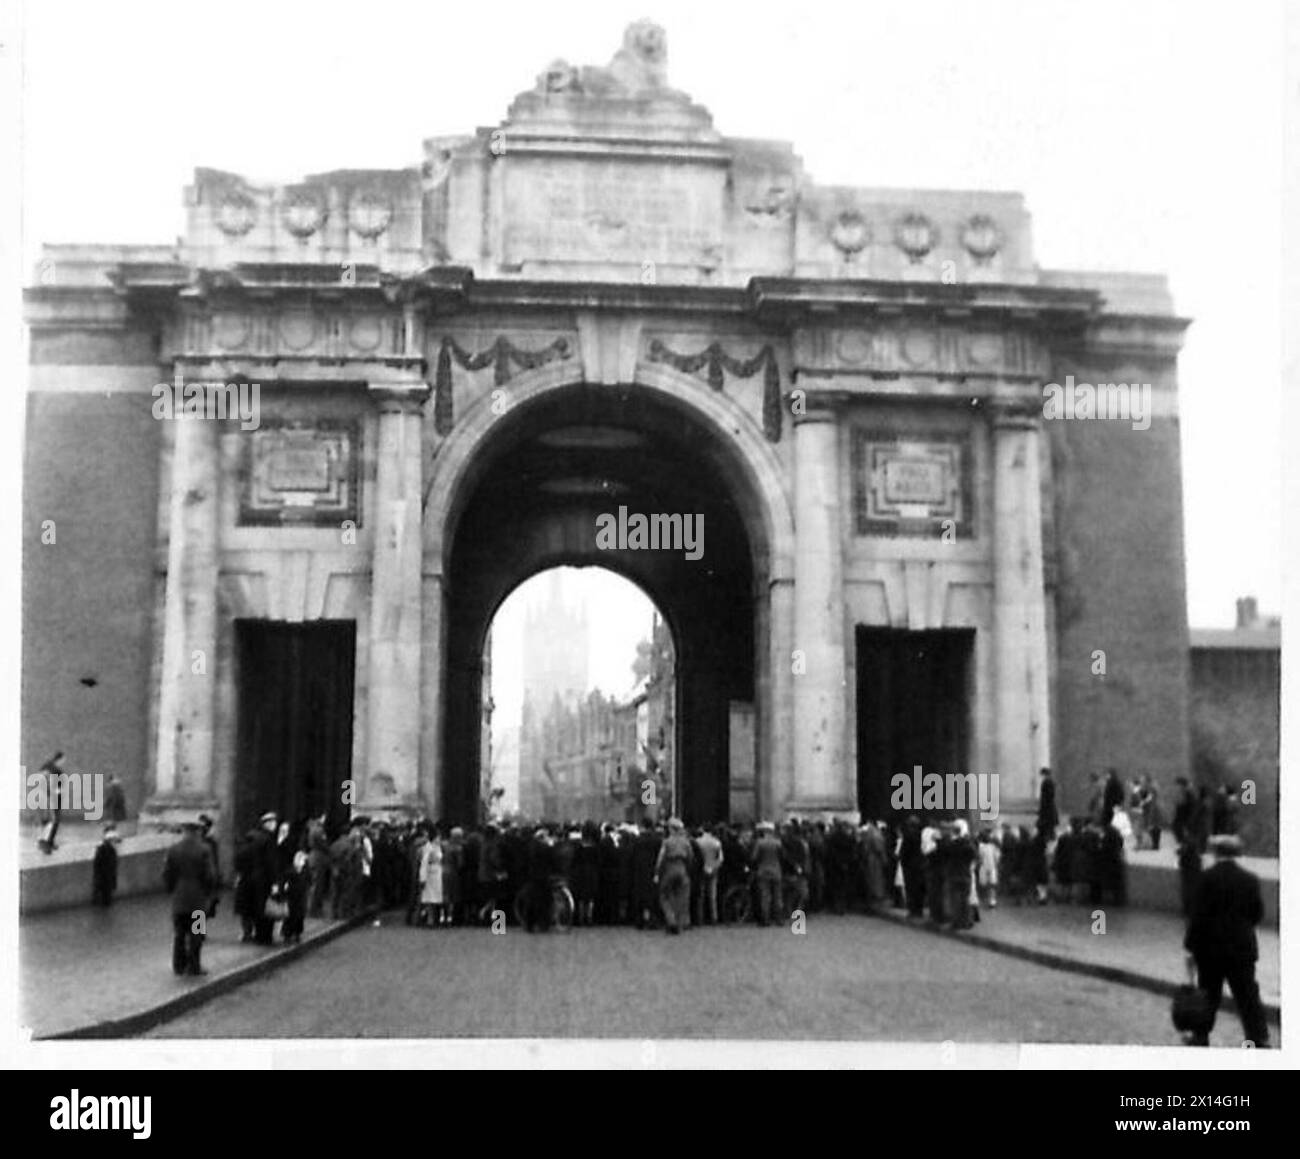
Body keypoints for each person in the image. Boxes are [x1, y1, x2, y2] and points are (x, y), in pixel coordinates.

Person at [1183, 834, 1270, 1048]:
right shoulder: (1250, 879)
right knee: (1247, 995)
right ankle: (1257, 1036)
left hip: (1210, 949)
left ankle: (1201, 1035)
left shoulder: (1206, 877)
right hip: (1241, 948)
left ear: (1216, 853)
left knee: (1209, 994)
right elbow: (1257, 913)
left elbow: (1198, 915)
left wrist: (1190, 945)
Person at [163, 820, 216, 976]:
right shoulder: (204, 849)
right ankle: (194, 966)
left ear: (184, 832)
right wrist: (207, 892)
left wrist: (172, 889)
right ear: (197, 832)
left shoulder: (174, 849)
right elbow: (210, 875)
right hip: (198, 899)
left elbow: (167, 874)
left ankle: (178, 965)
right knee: (197, 933)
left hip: (179, 899)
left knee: (179, 933)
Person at [655, 818, 693, 934]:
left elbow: (661, 858)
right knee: (681, 898)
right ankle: (680, 922)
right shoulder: (686, 842)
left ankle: (671, 921)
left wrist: (657, 872)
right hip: (682, 869)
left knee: (664, 896)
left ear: (671, 829)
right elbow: (690, 857)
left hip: (670, 868)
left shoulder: (667, 842)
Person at [750, 821, 784, 927]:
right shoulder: (778, 842)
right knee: (777, 896)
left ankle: (765, 919)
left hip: (763, 871)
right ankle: (778, 919)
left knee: (765, 896)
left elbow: (754, 857)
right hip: (776, 871)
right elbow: (782, 856)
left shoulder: (760, 843)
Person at [694, 824, 723, 925]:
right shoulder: (716, 842)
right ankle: (714, 917)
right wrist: (714, 867)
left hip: (701, 869)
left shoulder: (698, 841)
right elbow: (720, 858)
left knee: (700, 895)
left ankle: (699, 918)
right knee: (712, 895)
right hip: (713, 869)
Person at [37, 751, 66, 854]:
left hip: (43, 796)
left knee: (48, 821)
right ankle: (45, 843)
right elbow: (56, 787)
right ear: (60, 759)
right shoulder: (55, 770)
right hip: (50, 797)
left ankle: (47, 841)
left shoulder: (46, 766)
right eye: (63, 760)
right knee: (52, 821)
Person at [417, 825, 444, 927]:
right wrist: (422, 878)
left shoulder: (438, 847)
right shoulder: (428, 848)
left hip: (437, 873)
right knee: (430, 899)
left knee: (436, 898)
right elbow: (424, 863)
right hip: (430, 875)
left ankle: (435, 919)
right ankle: (430, 919)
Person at [92, 824, 120, 906]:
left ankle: (100, 900)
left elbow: (97, 865)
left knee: (102, 886)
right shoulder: (111, 850)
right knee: (107, 888)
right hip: (107, 873)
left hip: (103, 874)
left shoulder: (102, 848)